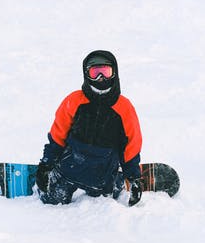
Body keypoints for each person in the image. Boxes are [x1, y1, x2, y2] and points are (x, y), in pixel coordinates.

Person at [35, 50, 144, 206]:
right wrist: (46, 164)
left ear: (115, 73)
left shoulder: (124, 107)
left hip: (103, 176)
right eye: (95, 73)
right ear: (86, 74)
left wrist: (133, 177)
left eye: (106, 72)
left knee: (102, 205)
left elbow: (132, 144)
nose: (101, 78)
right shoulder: (74, 101)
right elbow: (58, 135)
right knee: (51, 200)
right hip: (69, 169)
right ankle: (53, 178)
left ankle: (119, 177)